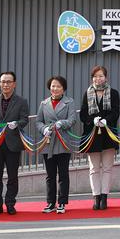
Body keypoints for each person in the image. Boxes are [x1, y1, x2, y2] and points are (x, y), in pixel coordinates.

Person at [0, 71, 30, 216]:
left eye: (9, 82)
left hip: (13, 143)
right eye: (3, 82)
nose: (5, 84)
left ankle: (10, 204)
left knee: (12, 176)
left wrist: (17, 124)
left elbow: (25, 119)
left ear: (14, 84)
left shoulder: (21, 101)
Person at [79, 66, 120, 210]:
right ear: (92, 78)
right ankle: (96, 197)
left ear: (106, 77)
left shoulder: (113, 93)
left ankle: (104, 197)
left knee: (108, 168)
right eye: (95, 76)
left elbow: (116, 112)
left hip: (108, 134)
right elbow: (83, 114)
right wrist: (93, 120)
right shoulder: (88, 93)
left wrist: (106, 120)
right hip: (92, 135)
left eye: (101, 76)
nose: (98, 78)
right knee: (94, 169)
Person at [35, 76, 76, 214]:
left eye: (58, 86)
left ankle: (62, 202)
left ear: (63, 88)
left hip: (63, 141)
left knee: (63, 174)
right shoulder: (44, 103)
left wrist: (61, 123)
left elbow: (72, 120)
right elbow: (38, 121)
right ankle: (50, 202)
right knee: (50, 174)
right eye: (53, 86)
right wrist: (44, 129)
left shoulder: (69, 102)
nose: (55, 88)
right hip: (48, 142)